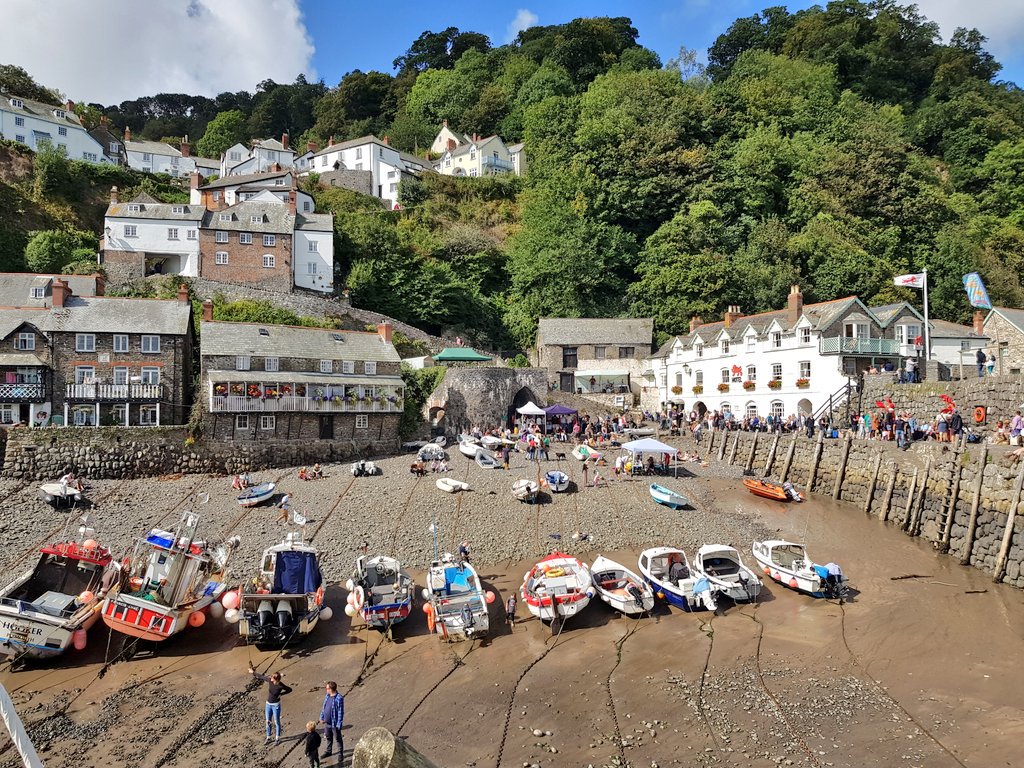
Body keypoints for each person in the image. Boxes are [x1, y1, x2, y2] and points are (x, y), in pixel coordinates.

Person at [249, 666, 293, 744]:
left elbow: (289, 689)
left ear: (276, 680)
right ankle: (268, 737)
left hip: (276, 705)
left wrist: (281, 694)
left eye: (272, 678)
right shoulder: (270, 681)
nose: (271, 679)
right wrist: (253, 672)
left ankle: (277, 738)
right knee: (268, 721)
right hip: (268, 704)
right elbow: (261, 677)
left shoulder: (281, 686)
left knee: (277, 722)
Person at [318, 681, 344, 760]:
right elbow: (324, 708)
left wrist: (339, 724)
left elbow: (340, 712)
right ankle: (329, 751)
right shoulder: (327, 696)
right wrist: (321, 717)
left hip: (334, 724)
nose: (326, 690)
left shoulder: (339, 698)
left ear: (331, 689)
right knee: (328, 737)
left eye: (327, 688)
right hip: (327, 723)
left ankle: (340, 754)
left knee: (338, 739)